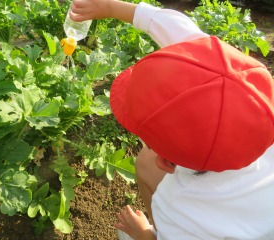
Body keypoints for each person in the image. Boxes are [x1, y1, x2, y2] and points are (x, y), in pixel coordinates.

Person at [69, 0, 274, 239]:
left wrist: (146, 235)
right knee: (145, 163)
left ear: (166, 163)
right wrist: (111, 8)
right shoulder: (256, 98)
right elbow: (177, 28)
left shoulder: (181, 211)